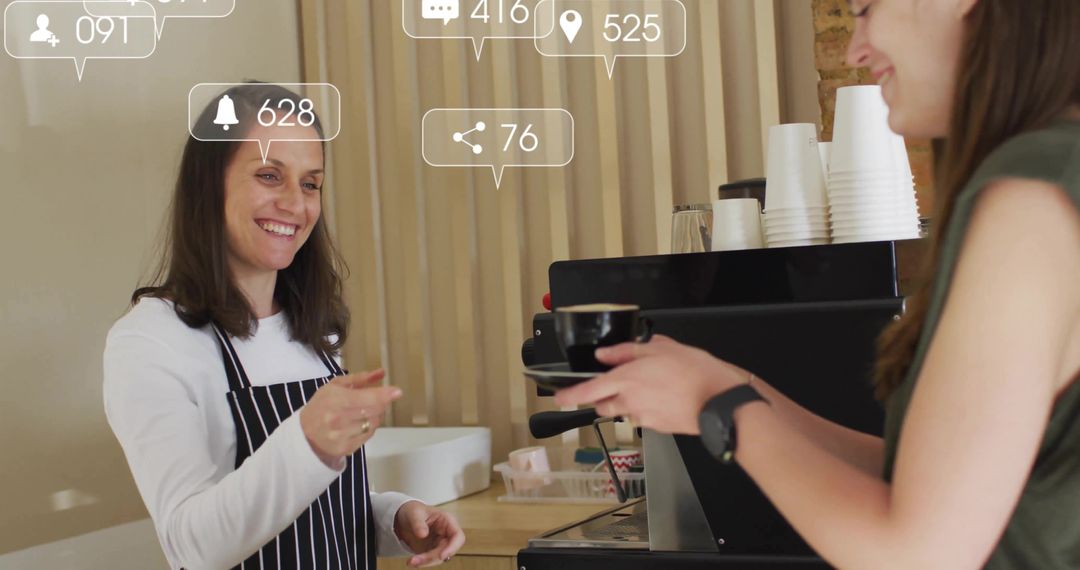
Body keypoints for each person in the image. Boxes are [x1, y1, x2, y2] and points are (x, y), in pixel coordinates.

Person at [556, 0, 1080, 568]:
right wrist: (729, 385)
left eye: (866, 9)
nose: (856, 49)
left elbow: (917, 554)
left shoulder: (1027, 196)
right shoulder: (1057, 170)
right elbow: (926, 483)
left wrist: (717, 406)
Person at [104, 83, 465, 570]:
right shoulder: (152, 340)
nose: (296, 205)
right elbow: (192, 544)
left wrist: (393, 517)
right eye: (270, 175)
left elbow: (320, 505)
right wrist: (310, 440)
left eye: (310, 183)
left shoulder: (314, 333)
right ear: (209, 185)